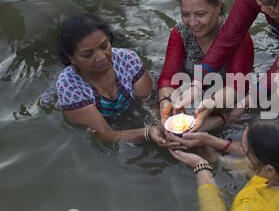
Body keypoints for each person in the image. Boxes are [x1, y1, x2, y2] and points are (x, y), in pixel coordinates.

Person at [56, 13, 183, 148]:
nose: (101, 57)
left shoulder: (128, 60)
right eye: (88, 55)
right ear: (70, 57)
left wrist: (165, 126)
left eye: (104, 46)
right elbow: (103, 134)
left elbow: (149, 103)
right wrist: (146, 132)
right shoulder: (69, 87)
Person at [158, 0, 254, 131]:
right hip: (191, 97)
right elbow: (169, 78)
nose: (193, 22)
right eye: (186, 15)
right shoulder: (180, 32)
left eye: (200, 14)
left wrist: (210, 107)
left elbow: (237, 87)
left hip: (227, 103)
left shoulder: (238, 35)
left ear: (218, 7)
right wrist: (166, 106)